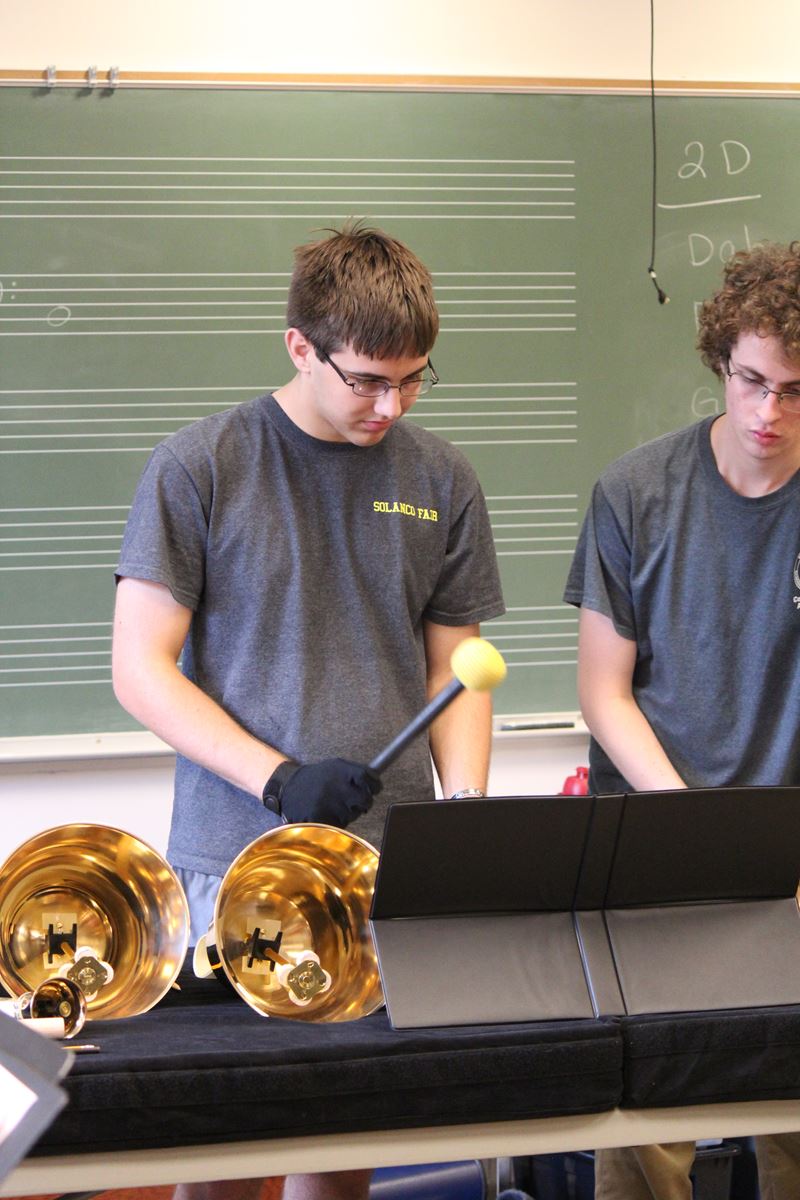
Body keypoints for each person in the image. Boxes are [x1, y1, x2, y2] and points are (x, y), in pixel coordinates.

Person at [112, 222, 505, 1200]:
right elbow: (140, 669)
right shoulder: (202, 466)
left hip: (378, 869)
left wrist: (464, 817)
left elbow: (455, 666)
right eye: (366, 380)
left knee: (340, 1147)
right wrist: (279, 779)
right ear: (299, 346)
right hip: (231, 862)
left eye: (412, 380)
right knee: (225, 1156)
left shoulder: (441, 478)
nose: (390, 405)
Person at [564, 240, 800, 1200]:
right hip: (655, 843)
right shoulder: (636, 493)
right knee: (647, 1124)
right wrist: (693, 824)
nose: (769, 413)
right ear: (720, 362)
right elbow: (603, 690)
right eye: (752, 382)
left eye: (797, 391)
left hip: (792, 850)